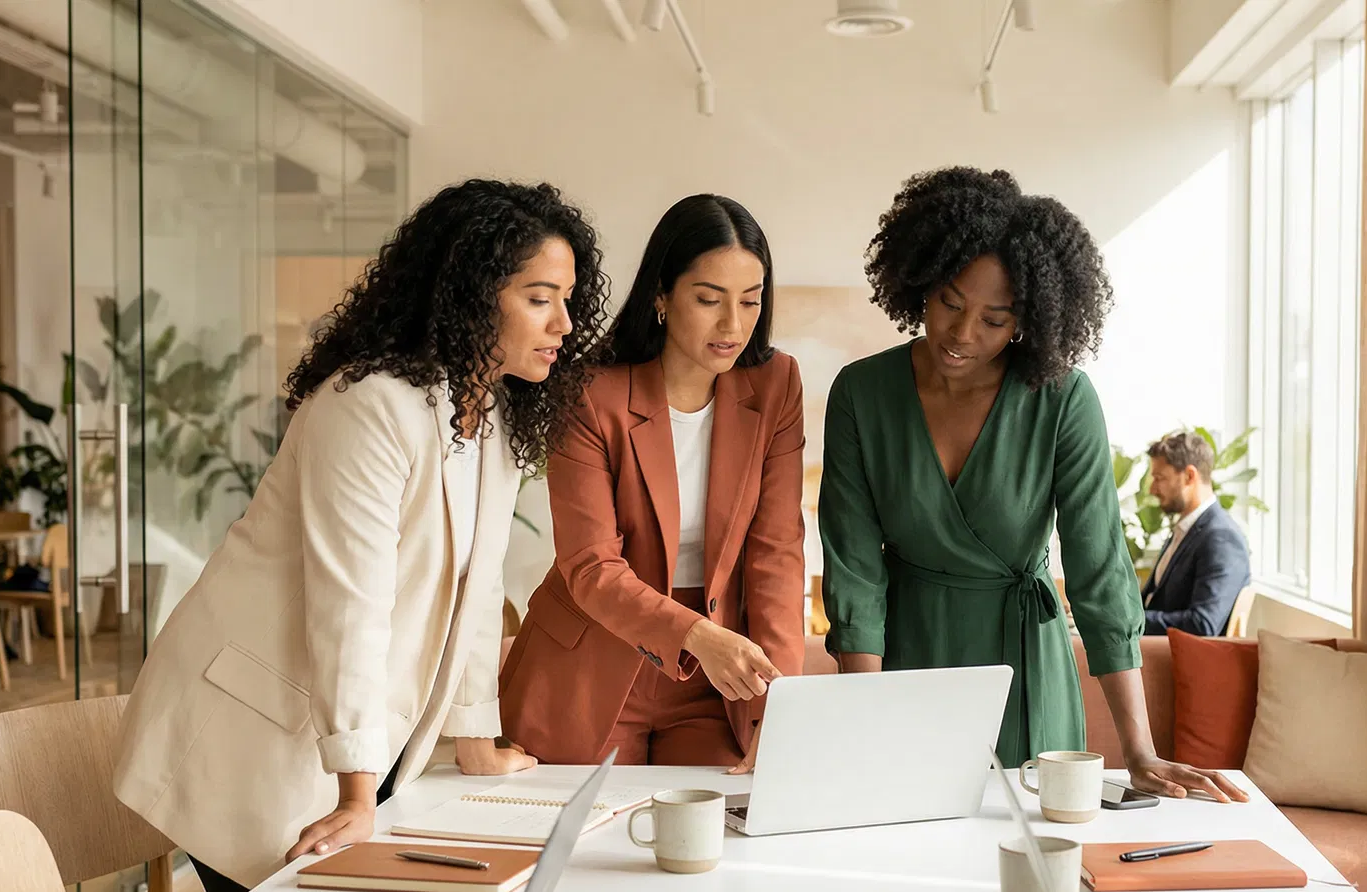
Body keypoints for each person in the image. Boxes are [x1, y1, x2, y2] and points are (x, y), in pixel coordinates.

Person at [113, 179, 607, 892]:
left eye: (567, 298)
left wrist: (476, 736)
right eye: (540, 298)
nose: (564, 322)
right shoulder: (368, 402)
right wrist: (355, 791)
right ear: (472, 295)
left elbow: (478, 590)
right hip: (247, 730)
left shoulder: (492, 416)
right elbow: (351, 601)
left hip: (345, 744)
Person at [817, 167, 1245, 802]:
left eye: (995, 319)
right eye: (950, 303)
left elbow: (1100, 572)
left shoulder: (1062, 398)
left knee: (1033, 854)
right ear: (920, 281)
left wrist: (1139, 751)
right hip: (907, 663)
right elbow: (854, 570)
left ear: (1028, 319)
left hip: (1024, 664)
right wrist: (868, 715)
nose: (963, 334)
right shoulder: (861, 393)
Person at [500, 194, 804, 771]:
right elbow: (591, 565)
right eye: (709, 299)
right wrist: (696, 635)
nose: (733, 325)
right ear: (661, 297)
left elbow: (777, 553)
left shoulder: (775, 384)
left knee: (723, 816)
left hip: (716, 677)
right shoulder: (590, 392)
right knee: (588, 826)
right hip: (591, 662)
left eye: (750, 301)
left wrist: (780, 705)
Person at [1140, 430, 1252, 637]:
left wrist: (1131, 621)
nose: (1152, 490)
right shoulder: (1185, 529)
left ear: (1189, 476)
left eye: (1159, 478)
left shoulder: (1221, 538)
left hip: (1171, 654)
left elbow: (1202, 624)